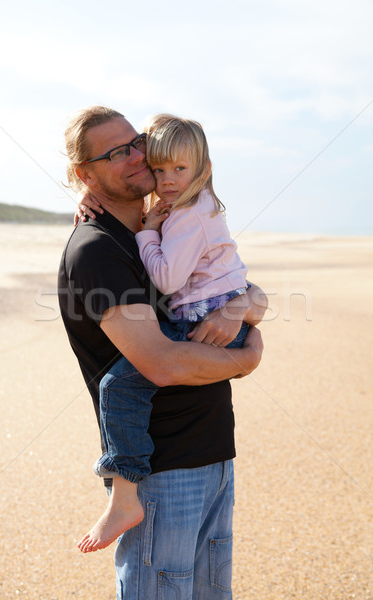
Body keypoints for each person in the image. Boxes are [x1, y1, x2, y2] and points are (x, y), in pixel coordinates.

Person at [58, 105, 265, 599]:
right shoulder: (97, 249)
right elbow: (162, 362)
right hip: (162, 473)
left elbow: (236, 287)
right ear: (84, 175)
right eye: (114, 154)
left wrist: (247, 305)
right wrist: (246, 358)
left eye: (136, 144)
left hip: (215, 458)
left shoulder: (171, 221)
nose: (134, 157)